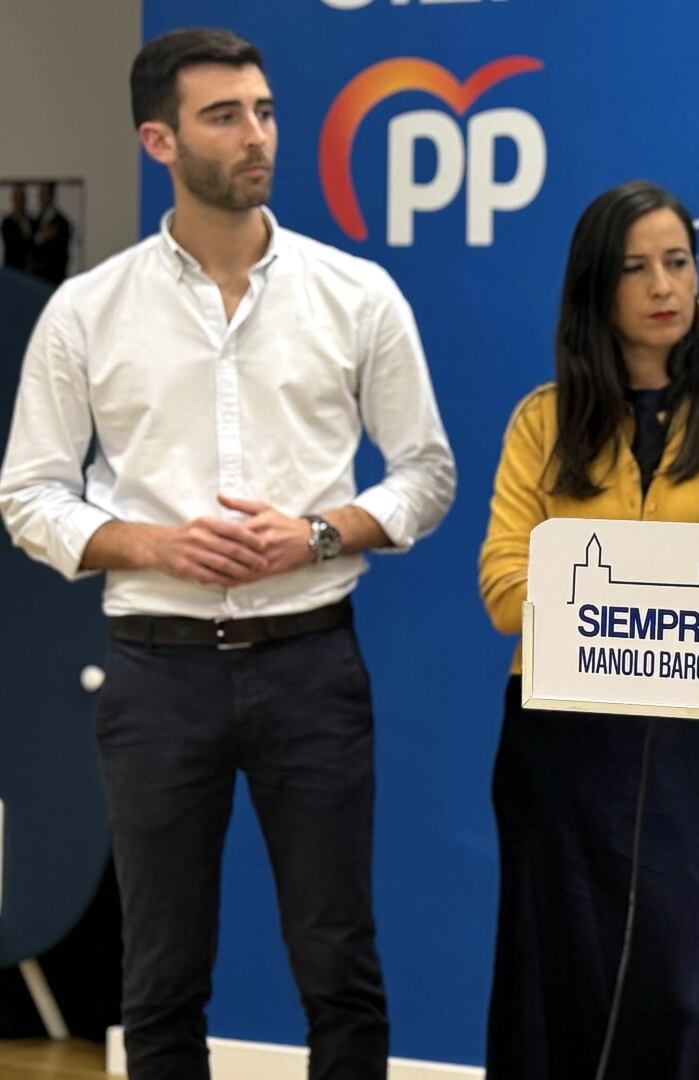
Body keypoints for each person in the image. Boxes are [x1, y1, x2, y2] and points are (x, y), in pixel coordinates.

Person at [0, 27, 456, 1079]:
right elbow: (28, 495)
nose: (257, 135)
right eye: (224, 116)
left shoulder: (357, 294)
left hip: (312, 661)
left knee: (340, 966)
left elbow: (426, 473)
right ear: (158, 140)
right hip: (155, 671)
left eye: (265, 111)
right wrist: (151, 542)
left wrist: (317, 533)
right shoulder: (86, 310)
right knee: (160, 978)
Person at [477, 180, 699, 1080]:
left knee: (692, 991)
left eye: (678, 262)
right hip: (563, 746)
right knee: (561, 990)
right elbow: (503, 590)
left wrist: (591, 581)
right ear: (595, 288)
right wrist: (665, 585)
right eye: (636, 267)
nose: (663, 285)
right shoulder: (542, 419)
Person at [28, 181, 73, 285]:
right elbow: (30, 245)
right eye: (40, 194)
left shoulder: (62, 222)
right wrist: (41, 237)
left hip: (55, 277)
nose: (41, 198)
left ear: (51, 195)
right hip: (37, 276)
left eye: (45, 194)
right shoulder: (34, 221)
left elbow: (64, 252)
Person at [2, 184, 31, 271]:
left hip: (25, 266)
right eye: (17, 199)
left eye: (21, 199)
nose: (19, 202)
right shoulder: (7, 222)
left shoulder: (29, 221)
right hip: (11, 267)